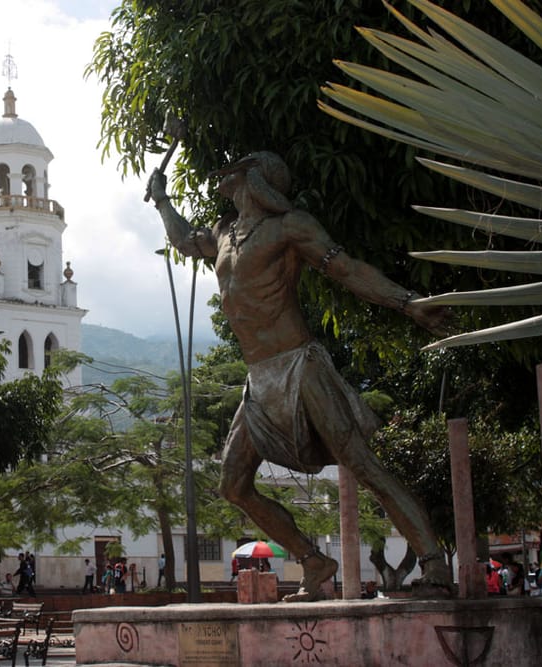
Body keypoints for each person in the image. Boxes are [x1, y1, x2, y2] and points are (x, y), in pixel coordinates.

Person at [148, 153, 453, 601]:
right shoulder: (224, 233)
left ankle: (434, 563)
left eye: (234, 167)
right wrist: (161, 200)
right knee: (232, 485)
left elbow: (346, 269)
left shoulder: (289, 228)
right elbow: (183, 241)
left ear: (253, 178)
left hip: (298, 364)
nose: (223, 174)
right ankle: (313, 560)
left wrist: (408, 303)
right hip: (258, 377)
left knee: (363, 463)